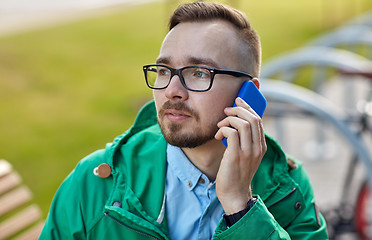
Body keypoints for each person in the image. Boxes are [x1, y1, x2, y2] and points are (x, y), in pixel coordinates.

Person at [40, 1, 328, 239]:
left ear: (248, 93)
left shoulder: (289, 189)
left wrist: (241, 207)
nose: (172, 91)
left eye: (199, 73)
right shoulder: (96, 184)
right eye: (164, 71)